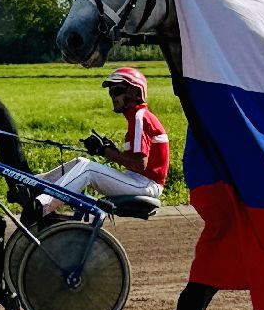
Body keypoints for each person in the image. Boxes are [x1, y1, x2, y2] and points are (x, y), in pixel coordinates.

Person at [27, 67, 169, 222]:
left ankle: (42, 206)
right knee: (81, 162)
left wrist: (105, 151)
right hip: (138, 181)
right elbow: (134, 161)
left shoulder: (139, 117)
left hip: (146, 185)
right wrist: (112, 151)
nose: (113, 96)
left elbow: (140, 164)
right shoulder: (136, 117)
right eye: (111, 92)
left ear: (135, 92)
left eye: (118, 91)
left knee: (88, 169)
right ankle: (36, 185)